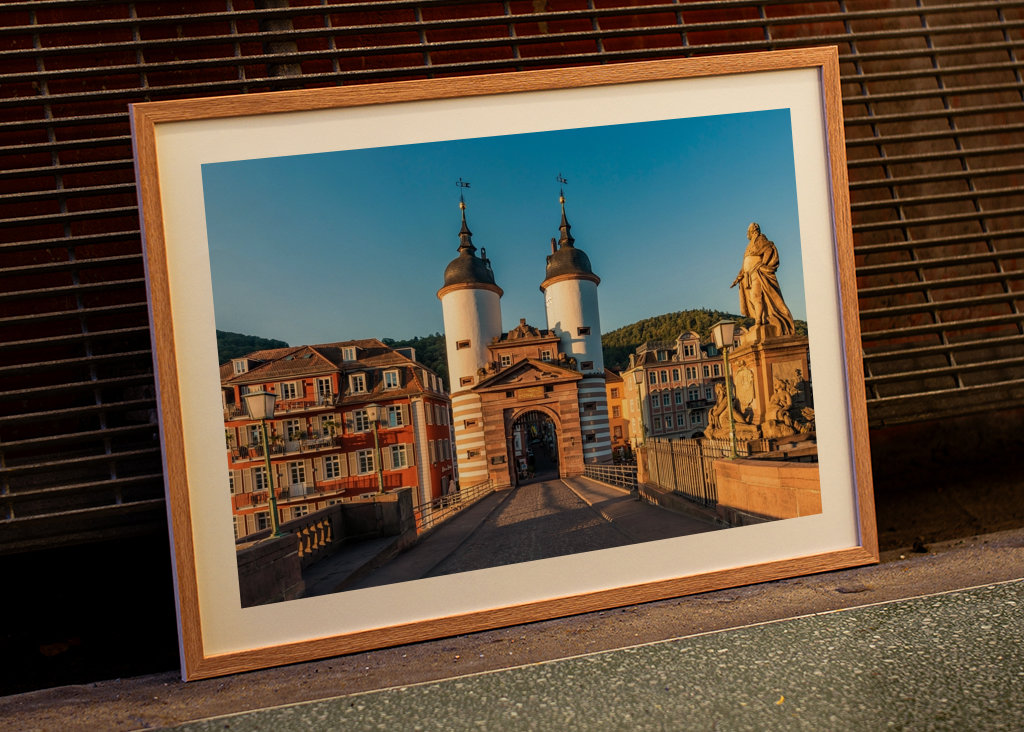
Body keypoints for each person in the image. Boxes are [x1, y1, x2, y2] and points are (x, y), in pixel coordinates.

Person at [731, 222, 796, 336]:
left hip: (758, 273)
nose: (747, 233)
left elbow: (769, 249)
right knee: (752, 299)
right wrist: (738, 277)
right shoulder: (750, 245)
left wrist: (763, 264)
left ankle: (759, 322)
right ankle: (761, 319)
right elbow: (745, 265)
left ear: (753, 231)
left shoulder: (760, 239)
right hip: (748, 276)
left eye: (748, 231)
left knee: (757, 297)